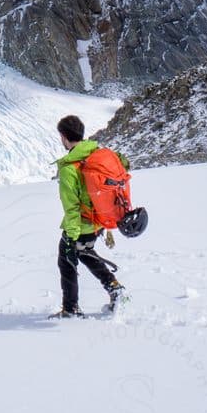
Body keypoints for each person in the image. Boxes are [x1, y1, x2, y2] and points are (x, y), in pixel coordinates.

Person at [50, 114, 127, 318]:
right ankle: (114, 287)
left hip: (81, 225)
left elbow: (71, 206)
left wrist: (71, 234)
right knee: (86, 254)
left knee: (66, 262)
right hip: (98, 222)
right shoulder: (97, 154)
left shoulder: (69, 169)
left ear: (64, 137)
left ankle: (70, 309)